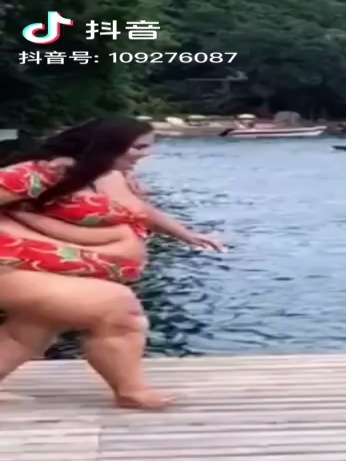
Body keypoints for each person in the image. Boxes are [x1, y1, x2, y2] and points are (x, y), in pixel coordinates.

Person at [0, 115, 223, 410]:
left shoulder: (103, 175)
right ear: (108, 145)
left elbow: (142, 212)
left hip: (43, 268)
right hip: (9, 265)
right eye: (139, 147)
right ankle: (131, 391)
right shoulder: (42, 172)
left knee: (29, 331)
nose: (146, 155)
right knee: (117, 308)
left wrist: (186, 234)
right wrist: (26, 234)